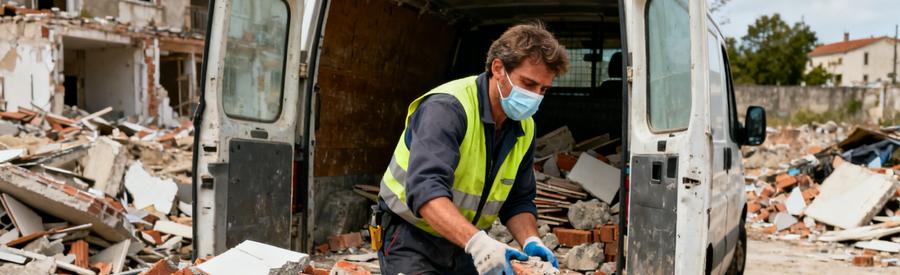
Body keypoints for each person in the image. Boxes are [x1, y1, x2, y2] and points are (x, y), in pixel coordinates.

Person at [377, 22, 569, 275]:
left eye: (543, 89)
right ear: (498, 68)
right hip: (412, 240)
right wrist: (480, 244)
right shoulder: (448, 109)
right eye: (528, 83)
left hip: (465, 242)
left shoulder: (525, 127)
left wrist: (531, 240)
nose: (535, 96)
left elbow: (518, 200)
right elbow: (426, 190)